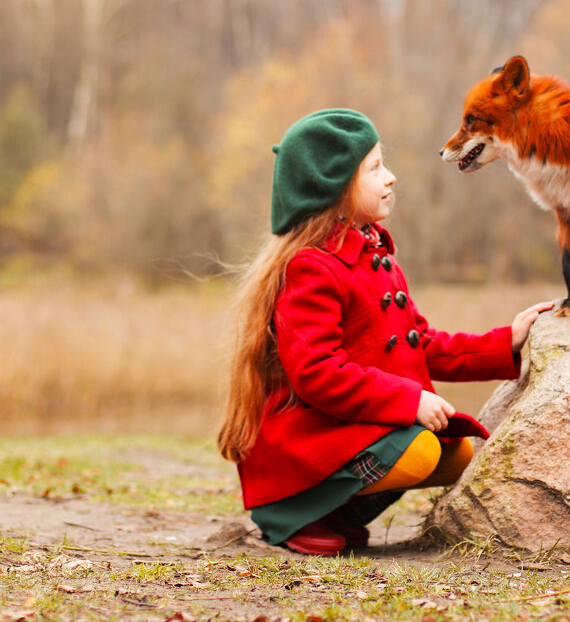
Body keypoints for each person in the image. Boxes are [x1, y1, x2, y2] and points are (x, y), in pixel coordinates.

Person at [217, 108, 551, 556]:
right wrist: (409, 400)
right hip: (304, 440)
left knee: (455, 454)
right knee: (417, 452)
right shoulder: (311, 268)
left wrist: (505, 340)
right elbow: (317, 372)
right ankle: (294, 511)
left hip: (347, 426)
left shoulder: (376, 258)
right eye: (375, 169)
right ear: (334, 187)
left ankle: (337, 514)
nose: (391, 178)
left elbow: (420, 344)